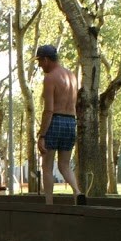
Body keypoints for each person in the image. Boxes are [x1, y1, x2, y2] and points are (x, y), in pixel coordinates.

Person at [35, 44, 84, 205]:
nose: (39, 65)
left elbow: (48, 110)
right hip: (71, 121)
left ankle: (48, 202)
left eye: (40, 61)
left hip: (55, 120)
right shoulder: (71, 76)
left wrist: (42, 135)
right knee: (64, 164)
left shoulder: (50, 78)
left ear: (47, 59)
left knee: (47, 166)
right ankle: (77, 192)